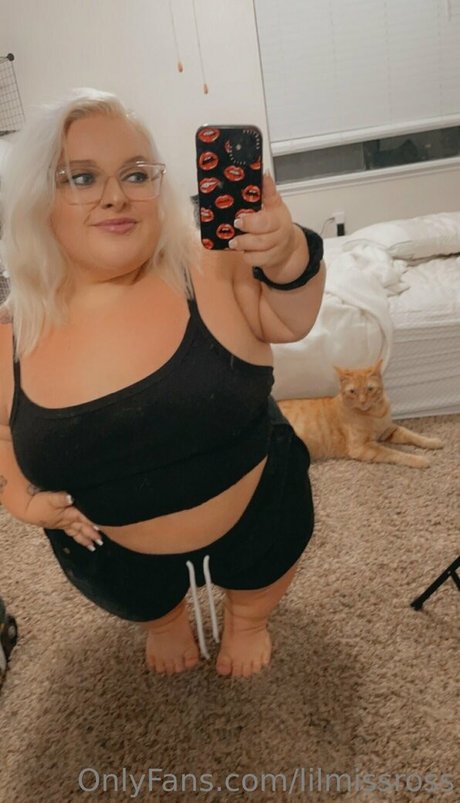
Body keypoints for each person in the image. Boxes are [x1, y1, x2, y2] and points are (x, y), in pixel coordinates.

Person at [0, 88, 325, 678]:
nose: (116, 196)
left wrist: (289, 255)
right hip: (116, 555)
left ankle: (249, 617)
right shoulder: (10, 334)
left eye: (135, 174)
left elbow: (291, 319)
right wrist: (21, 500)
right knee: (139, 593)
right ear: (37, 199)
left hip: (258, 514)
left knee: (265, 562)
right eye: (81, 178)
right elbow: (1, 434)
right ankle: (163, 619)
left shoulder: (208, 264)